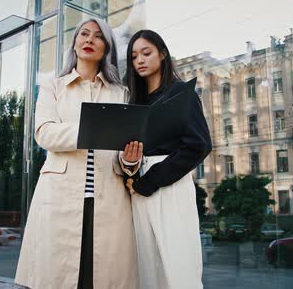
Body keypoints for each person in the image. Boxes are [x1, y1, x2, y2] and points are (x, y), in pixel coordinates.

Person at [15, 19, 141, 289]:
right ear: (74, 42)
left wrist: (130, 160)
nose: (89, 40)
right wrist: (90, 130)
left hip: (108, 198)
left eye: (98, 37)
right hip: (60, 195)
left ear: (106, 47)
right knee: (58, 276)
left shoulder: (121, 93)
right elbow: (44, 133)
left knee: (100, 277)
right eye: (84, 34)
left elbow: (122, 149)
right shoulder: (53, 86)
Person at [124, 29, 212, 289]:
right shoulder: (135, 101)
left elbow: (198, 145)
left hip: (169, 185)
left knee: (178, 266)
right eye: (134, 56)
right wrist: (132, 172)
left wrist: (149, 181)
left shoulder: (181, 93)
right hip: (138, 189)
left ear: (162, 54)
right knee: (148, 268)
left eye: (146, 52)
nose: (139, 59)